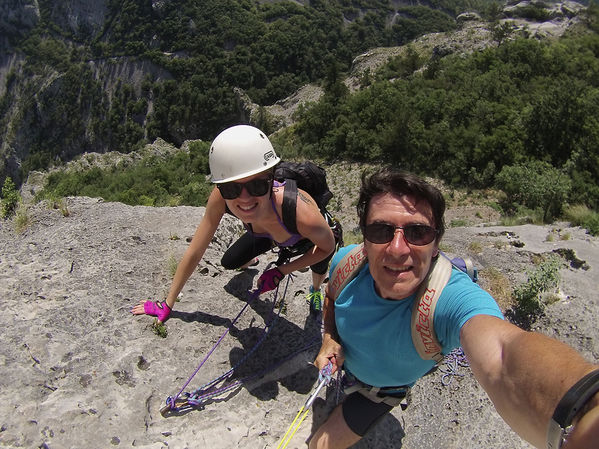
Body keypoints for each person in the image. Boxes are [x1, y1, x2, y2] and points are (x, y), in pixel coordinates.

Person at [311, 168, 599, 449]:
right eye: (381, 230)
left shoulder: (449, 298)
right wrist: (329, 338)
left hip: (380, 393)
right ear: (365, 238)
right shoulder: (346, 263)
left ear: (436, 245)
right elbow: (331, 300)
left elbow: (502, 353)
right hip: (346, 367)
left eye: (418, 233)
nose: (397, 249)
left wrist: (585, 407)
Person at [131, 124, 338, 323]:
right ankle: (253, 261)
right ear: (221, 187)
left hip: (304, 239)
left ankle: (315, 290)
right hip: (269, 235)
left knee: (319, 267)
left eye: (256, 185)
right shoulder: (220, 197)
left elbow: (327, 247)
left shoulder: (301, 213)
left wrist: (282, 270)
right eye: (231, 189)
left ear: (271, 178)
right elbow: (196, 249)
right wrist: (167, 304)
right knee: (229, 262)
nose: (245, 198)